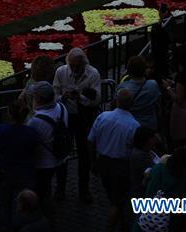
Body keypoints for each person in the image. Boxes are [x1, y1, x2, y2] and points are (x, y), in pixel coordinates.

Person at [88, 88, 140, 232]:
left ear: (115, 100)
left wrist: (93, 161)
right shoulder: (134, 125)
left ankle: (122, 223)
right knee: (118, 201)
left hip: (103, 162)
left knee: (114, 197)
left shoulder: (103, 117)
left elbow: (91, 141)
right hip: (121, 166)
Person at [53, 47, 100, 202]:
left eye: (77, 66)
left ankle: (84, 189)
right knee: (63, 154)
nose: (74, 68)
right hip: (65, 118)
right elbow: (55, 95)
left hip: (83, 118)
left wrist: (79, 97)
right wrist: (64, 97)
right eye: (72, 65)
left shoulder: (93, 74)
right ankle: (60, 189)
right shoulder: (61, 72)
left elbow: (97, 100)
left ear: (84, 64)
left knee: (84, 154)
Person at [0, 99, 39, 230]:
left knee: (4, 204)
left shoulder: (2, 130)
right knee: (22, 203)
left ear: (9, 113)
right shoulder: (31, 132)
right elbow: (36, 152)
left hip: (5, 171)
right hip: (25, 172)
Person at [27, 81, 66, 224]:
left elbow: (31, 144)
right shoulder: (61, 108)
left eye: (35, 96)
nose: (33, 98)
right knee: (46, 191)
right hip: (57, 158)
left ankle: (46, 221)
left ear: (40, 99)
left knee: (42, 194)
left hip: (43, 163)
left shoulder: (35, 120)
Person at [117, 56, 160, 128]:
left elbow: (117, 108)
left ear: (129, 71)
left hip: (130, 126)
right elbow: (158, 102)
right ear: (144, 70)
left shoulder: (122, 88)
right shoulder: (153, 84)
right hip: (149, 125)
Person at [129, 127, 159, 205]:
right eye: (153, 137)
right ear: (147, 140)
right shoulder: (140, 156)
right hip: (143, 194)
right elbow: (152, 174)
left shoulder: (148, 151)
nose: (156, 139)